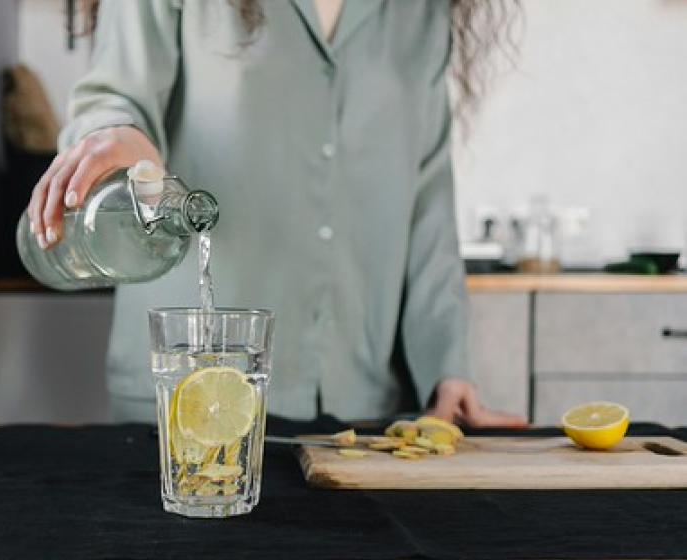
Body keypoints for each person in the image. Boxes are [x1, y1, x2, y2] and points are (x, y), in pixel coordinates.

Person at [27, 0, 527, 427]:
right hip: (193, 394)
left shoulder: (421, 11)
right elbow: (116, 96)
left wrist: (448, 365)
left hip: (361, 405)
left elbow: (427, 206)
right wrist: (118, 136)